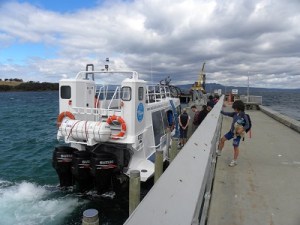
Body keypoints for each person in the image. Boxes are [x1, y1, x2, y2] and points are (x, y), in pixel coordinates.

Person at [217, 100, 250, 167]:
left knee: (235, 147)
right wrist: (219, 111)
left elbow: (247, 125)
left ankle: (234, 161)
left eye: (234, 108)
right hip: (231, 132)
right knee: (222, 139)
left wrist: (242, 129)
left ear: (238, 108)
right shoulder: (235, 113)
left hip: (237, 134)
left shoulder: (244, 115)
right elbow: (227, 113)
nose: (234, 109)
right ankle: (219, 151)